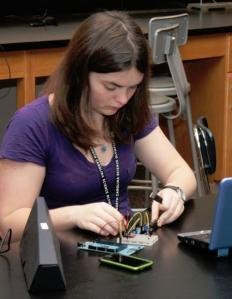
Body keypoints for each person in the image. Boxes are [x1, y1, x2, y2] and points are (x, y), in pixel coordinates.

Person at [0, 11, 197, 241]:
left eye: (132, 88)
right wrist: (74, 215)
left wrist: (175, 192)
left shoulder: (130, 110)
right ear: (80, 74)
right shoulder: (32, 125)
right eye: (111, 87)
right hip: (60, 256)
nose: (123, 99)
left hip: (120, 249)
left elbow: (181, 172)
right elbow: (9, 223)